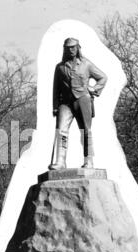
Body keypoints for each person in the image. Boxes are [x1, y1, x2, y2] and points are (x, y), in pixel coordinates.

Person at [49, 37, 108, 170]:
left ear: (78, 48)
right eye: (68, 48)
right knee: (61, 131)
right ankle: (60, 161)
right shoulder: (59, 67)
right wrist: (55, 106)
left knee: (86, 131)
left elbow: (102, 77)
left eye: (73, 47)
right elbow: (55, 88)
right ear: (64, 49)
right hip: (66, 103)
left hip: (83, 100)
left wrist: (94, 89)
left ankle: (89, 160)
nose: (71, 50)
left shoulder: (86, 64)